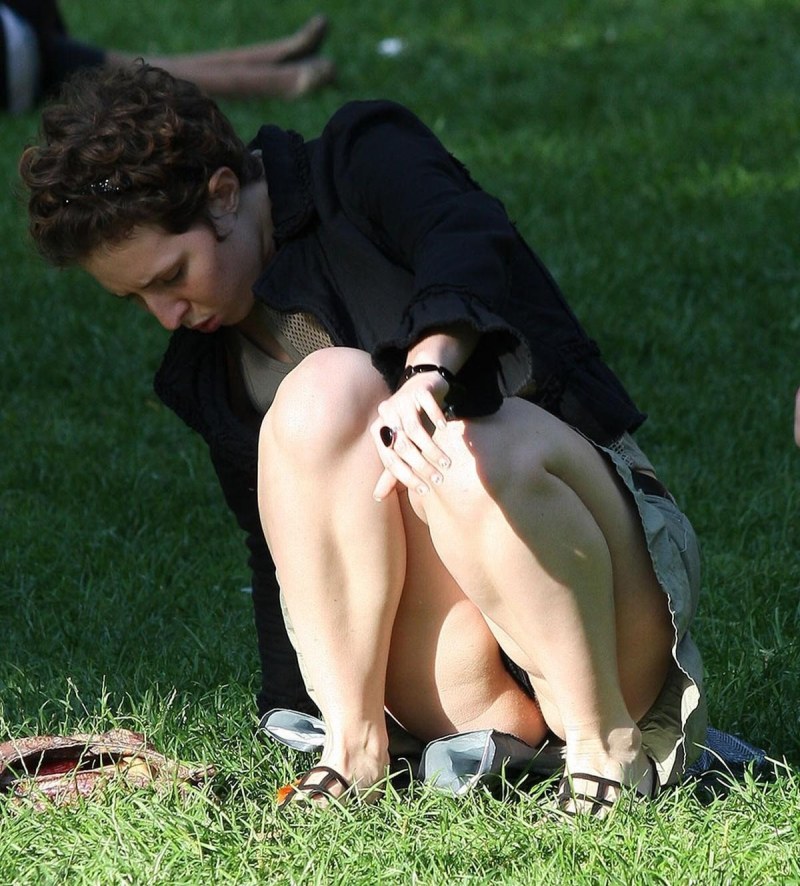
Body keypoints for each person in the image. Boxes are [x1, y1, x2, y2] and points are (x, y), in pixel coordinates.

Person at [19, 62, 707, 816]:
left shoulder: (360, 157)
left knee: (476, 448)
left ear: (222, 195)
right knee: (319, 393)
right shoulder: (204, 373)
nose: (166, 314)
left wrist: (430, 372)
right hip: (462, 675)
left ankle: (605, 746)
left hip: (590, 589)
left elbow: (467, 237)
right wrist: (288, 710)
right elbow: (284, 546)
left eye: (172, 275)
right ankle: (359, 752)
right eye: (137, 298)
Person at [1, 0, 334, 113]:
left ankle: (279, 56)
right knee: (141, 70)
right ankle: (280, 78)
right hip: (16, 59)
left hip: (21, 41)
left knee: (141, 63)